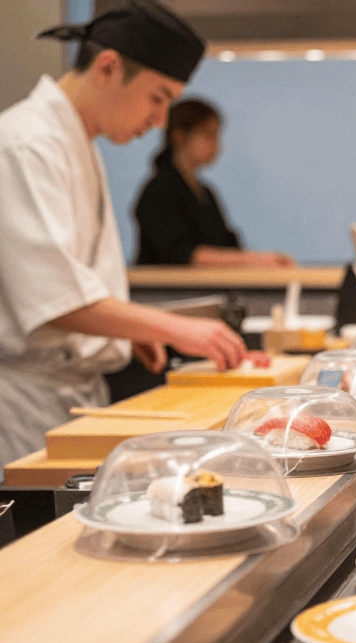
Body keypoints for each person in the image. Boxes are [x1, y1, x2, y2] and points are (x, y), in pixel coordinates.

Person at [0, 0, 246, 468]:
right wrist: (171, 327)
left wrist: (120, 332)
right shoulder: (25, 143)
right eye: (158, 97)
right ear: (108, 68)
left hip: (72, 390)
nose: (160, 121)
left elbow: (74, 279)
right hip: (22, 402)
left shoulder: (76, 142)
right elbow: (57, 299)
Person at [134, 98, 295, 268]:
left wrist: (260, 259)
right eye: (207, 135)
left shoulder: (205, 192)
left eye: (216, 136)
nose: (215, 144)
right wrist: (254, 260)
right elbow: (181, 253)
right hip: (163, 291)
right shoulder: (158, 190)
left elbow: (226, 245)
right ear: (179, 135)